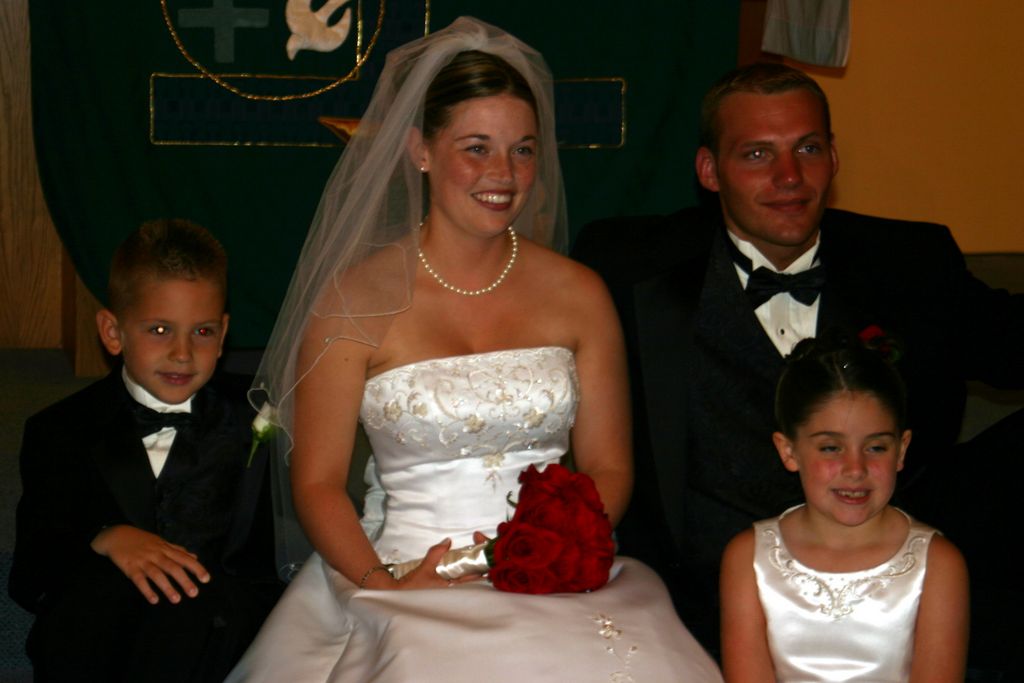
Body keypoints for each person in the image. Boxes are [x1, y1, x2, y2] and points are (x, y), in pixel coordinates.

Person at [225, 17, 722, 683]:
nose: (503, 174)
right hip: (402, 576)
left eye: (522, 150)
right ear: (420, 150)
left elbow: (609, 468)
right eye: (476, 148)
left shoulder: (579, 294)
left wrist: (554, 549)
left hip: (554, 579)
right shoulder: (355, 300)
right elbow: (315, 481)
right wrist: (382, 582)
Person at [572, 61, 1024, 670]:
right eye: (757, 155)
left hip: (897, 625)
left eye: (807, 148)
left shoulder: (912, 265)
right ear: (709, 171)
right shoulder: (627, 268)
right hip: (686, 622)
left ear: (834, 158)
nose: (789, 177)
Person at [9, 219, 281, 682]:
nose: (182, 353)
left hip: (213, 631)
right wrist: (104, 535)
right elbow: (31, 574)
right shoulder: (59, 430)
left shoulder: (256, 416)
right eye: (159, 329)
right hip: (100, 632)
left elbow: (272, 557)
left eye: (202, 332)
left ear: (224, 332)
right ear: (112, 332)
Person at [720, 333, 969, 682]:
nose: (856, 469)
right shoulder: (748, 558)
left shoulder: (939, 565)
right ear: (788, 450)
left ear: (901, 449)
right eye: (830, 448)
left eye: (876, 448)